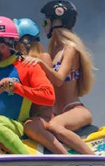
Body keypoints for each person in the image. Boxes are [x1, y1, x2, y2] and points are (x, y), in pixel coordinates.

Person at [0, 16, 55, 154]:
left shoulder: (28, 66)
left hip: (18, 128)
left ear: (3, 46)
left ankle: (28, 161)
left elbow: (49, 96)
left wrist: (16, 88)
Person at [33, 0, 95, 155]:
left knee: (54, 126)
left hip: (74, 109)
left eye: (44, 21)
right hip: (59, 112)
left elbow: (59, 79)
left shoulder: (70, 49)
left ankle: (92, 159)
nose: (43, 26)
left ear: (56, 21)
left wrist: (40, 63)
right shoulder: (54, 52)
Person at [13, 18, 68, 154]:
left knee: (31, 127)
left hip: (43, 118)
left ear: (25, 42)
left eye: (15, 42)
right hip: (26, 118)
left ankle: (66, 158)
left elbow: (49, 95)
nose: (12, 47)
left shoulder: (42, 58)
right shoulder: (19, 62)